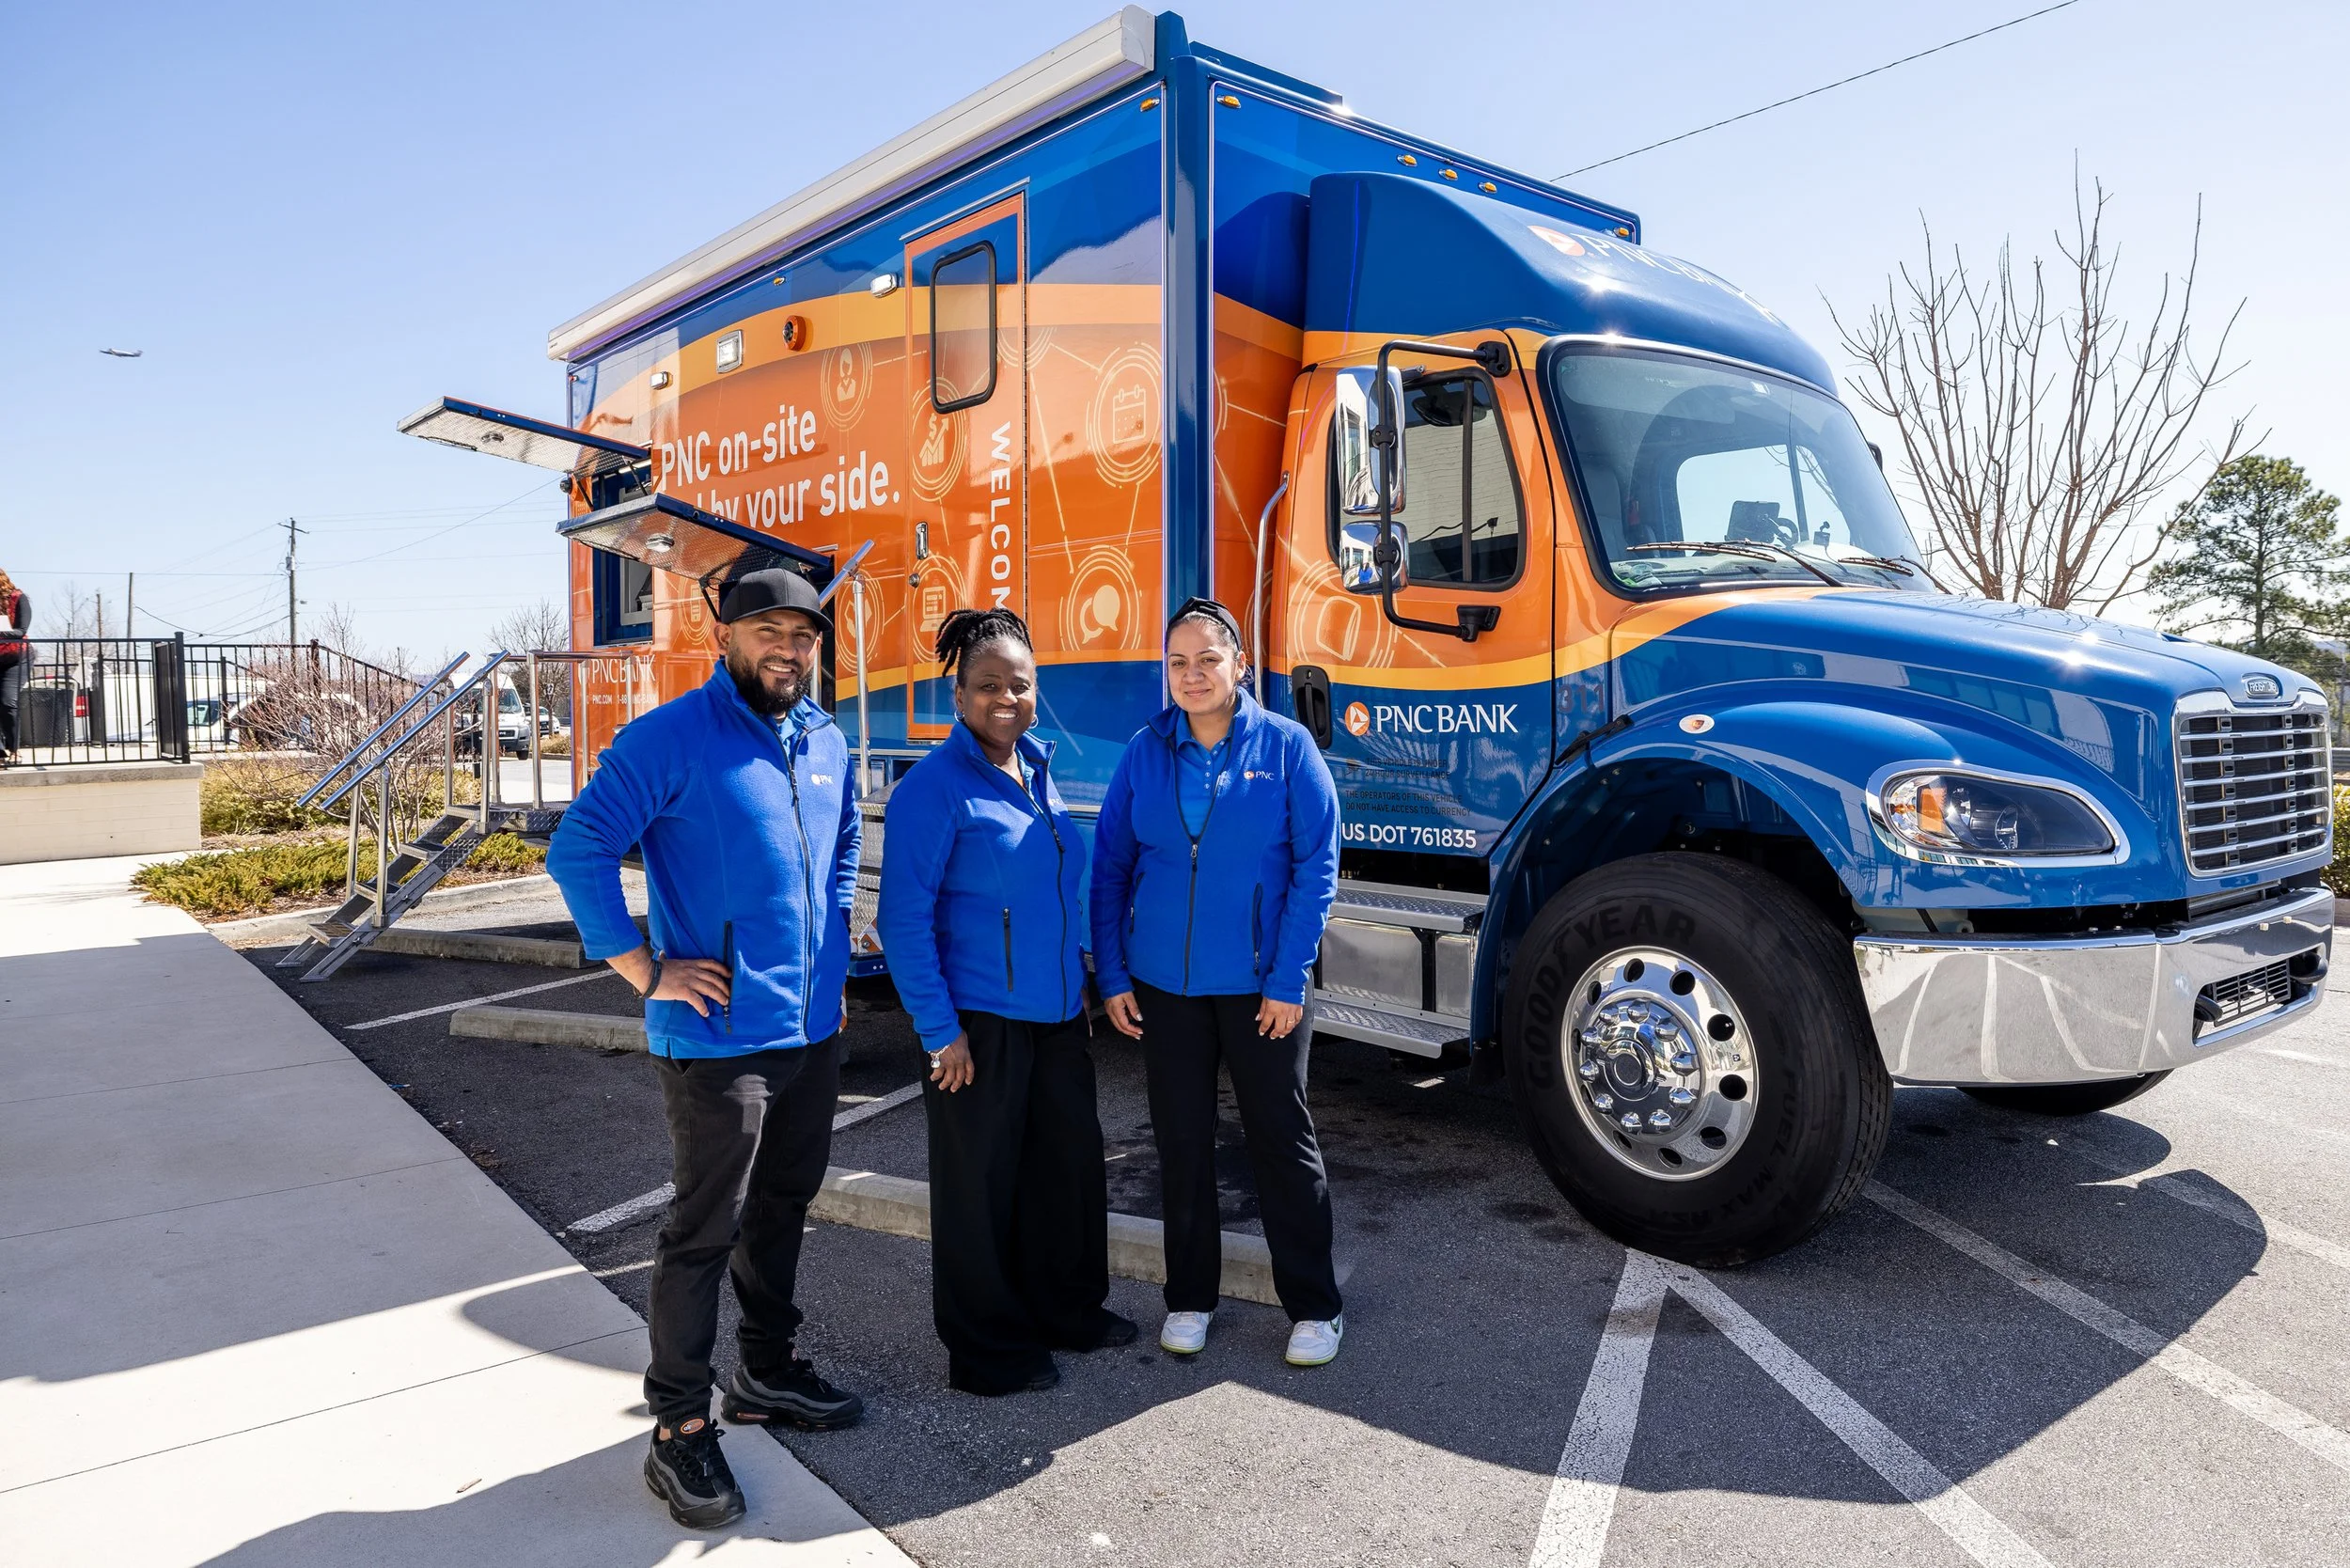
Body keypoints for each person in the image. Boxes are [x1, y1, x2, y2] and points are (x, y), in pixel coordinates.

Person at [546, 562, 865, 1531]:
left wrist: (832, 963)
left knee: (782, 1209)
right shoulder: (670, 738)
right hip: (718, 1037)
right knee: (700, 1230)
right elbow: (580, 847)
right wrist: (645, 970)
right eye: (769, 630)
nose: (788, 647)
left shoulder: (824, 739)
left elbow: (842, 845)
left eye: (804, 634)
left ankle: (764, 1374)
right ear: (723, 632)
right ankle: (678, 1429)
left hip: (809, 1028)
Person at [876, 608, 1135, 1395]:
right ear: (957, 694)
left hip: (1059, 1015)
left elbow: (1061, 887)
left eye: (1019, 684)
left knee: (1066, 1174)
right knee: (977, 1190)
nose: (1005, 697)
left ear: (1035, 690)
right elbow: (902, 919)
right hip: (978, 1023)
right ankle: (987, 1349)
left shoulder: (1040, 770)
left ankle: (1067, 1312)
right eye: (987, 684)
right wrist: (937, 1030)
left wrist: (1087, 973)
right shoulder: (934, 789)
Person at [1089, 597, 1346, 1367]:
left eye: (1208, 658)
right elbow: (1109, 868)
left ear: (1239, 664)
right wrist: (1112, 972)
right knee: (1182, 1144)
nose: (1193, 674)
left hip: (1263, 987)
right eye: (1178, 662)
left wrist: (1289, 975)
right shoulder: (1145, 752)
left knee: (1280, 1140)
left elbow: (1316, 867)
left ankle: (1315, 1307)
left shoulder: (1288, 747)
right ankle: (1190, 1298)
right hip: (1165, 985)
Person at [0, 568, 28, 767]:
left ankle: (15, 749)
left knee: (7, 702)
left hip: (16, 657)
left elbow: (21, 630)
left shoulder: (18, 598)